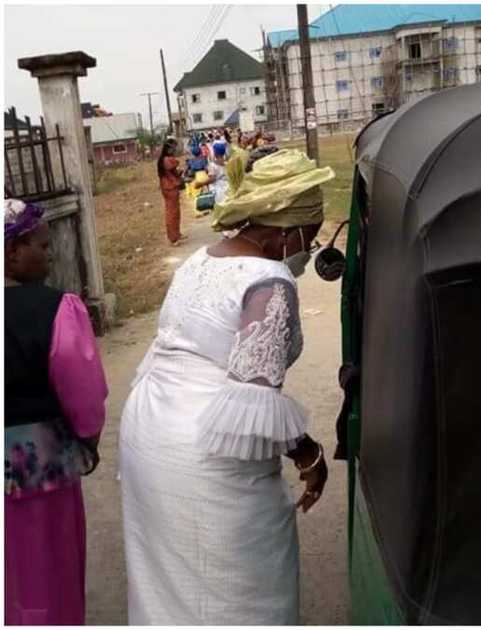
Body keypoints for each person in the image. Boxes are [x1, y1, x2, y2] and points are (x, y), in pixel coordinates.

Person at [118, 148, 336, 624]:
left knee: (169, 583)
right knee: (242, 587)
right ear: (286, 231)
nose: (311, 247)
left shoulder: (200, 259)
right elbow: (254, 402)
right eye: (311, 235)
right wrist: (308, 454)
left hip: (150, 432)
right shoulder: (271, 281)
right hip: (209, 450)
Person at [5, 199, 108, 624]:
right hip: (39, 471)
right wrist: (87, 440)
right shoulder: (55, 309)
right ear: (12, 250)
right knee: (47, 572)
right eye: (42, 247)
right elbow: (84, 396)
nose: (50, 256)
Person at [156, 138, 186, 246]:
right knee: (172, 213)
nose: (175, 150)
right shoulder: (167, 160)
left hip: (171, 186)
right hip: (170, 188)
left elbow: (174, 171)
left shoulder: (164, 159)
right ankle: (173, 238)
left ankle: (176, 234)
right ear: (169, 148)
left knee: (176, 212)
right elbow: (174, 164)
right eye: (174, 147)